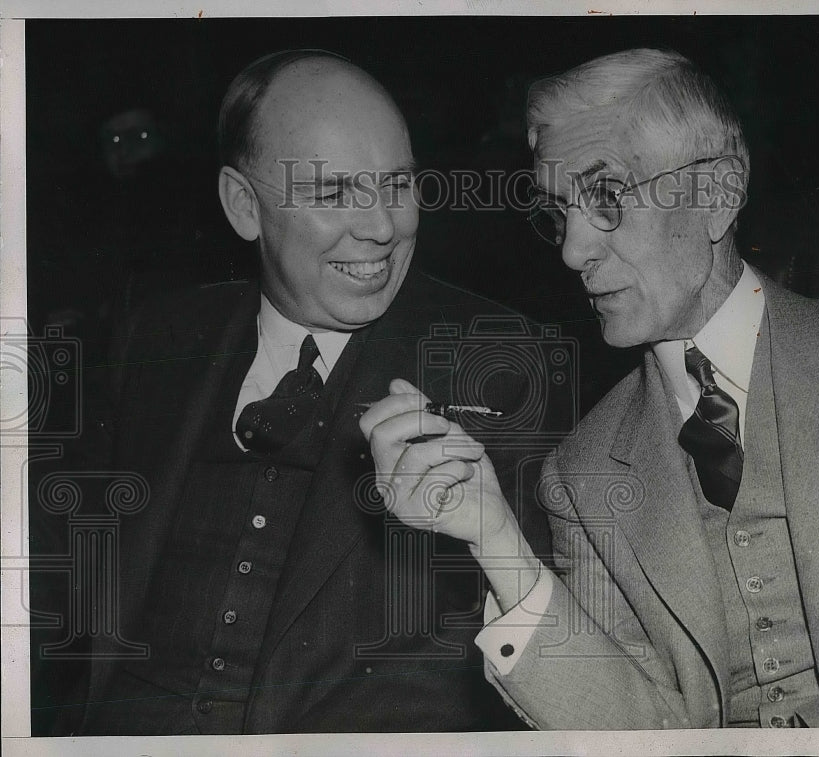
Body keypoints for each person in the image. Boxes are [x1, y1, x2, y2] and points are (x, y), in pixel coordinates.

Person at [361, 48, 819, 729]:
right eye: (559, 212)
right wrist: (493, 536)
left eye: (606, 196)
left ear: (716, 195)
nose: (571, 250)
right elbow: (641, 734)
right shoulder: (582, 474)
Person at [31, 49, 560, 735]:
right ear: (243, 205)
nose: (381, 228)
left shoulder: (493, 356)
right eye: (334, 192)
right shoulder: (158, 337)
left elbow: (520, 646)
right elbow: (63, 559)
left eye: (398, 185)